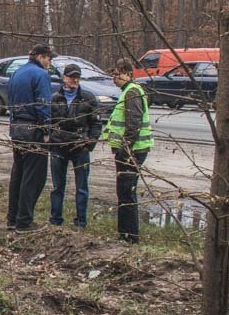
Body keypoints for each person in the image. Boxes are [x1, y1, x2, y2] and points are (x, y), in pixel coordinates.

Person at [103, 58, 153, 243]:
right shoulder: (128, 91)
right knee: (123, 191)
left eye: (117, 74)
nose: (114, 79)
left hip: (133, 151)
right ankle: (124, 233)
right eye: (113, 75)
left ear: (129, 74)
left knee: (127, 191)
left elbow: (134, 124)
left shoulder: (132, 92)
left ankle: (130, 236)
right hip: (130, 150)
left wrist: (125, 149)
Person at [6, 44, 55, 231]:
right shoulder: (41, 75)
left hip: (17, 128)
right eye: (49, 59)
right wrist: (46, 131)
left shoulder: (17, 72)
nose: (50, 63)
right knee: (33, 176)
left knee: (18, 173)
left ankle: (12, 218)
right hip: (33, 129)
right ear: (42, 56)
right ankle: (24, 221)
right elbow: (43, 104)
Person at [48, 64, 102, 228]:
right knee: (57, 186)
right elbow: (47, 122)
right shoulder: (55, 97)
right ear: (64, 78)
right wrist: (51, 140)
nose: (75, 80)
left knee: (82, 187)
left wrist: (89, 144)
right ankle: (55, 219)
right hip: (59, 145)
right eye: (71, 77)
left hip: (80, 147)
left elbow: (96, 124)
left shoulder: (88, 97)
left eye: (77, 77)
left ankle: (81, 221)